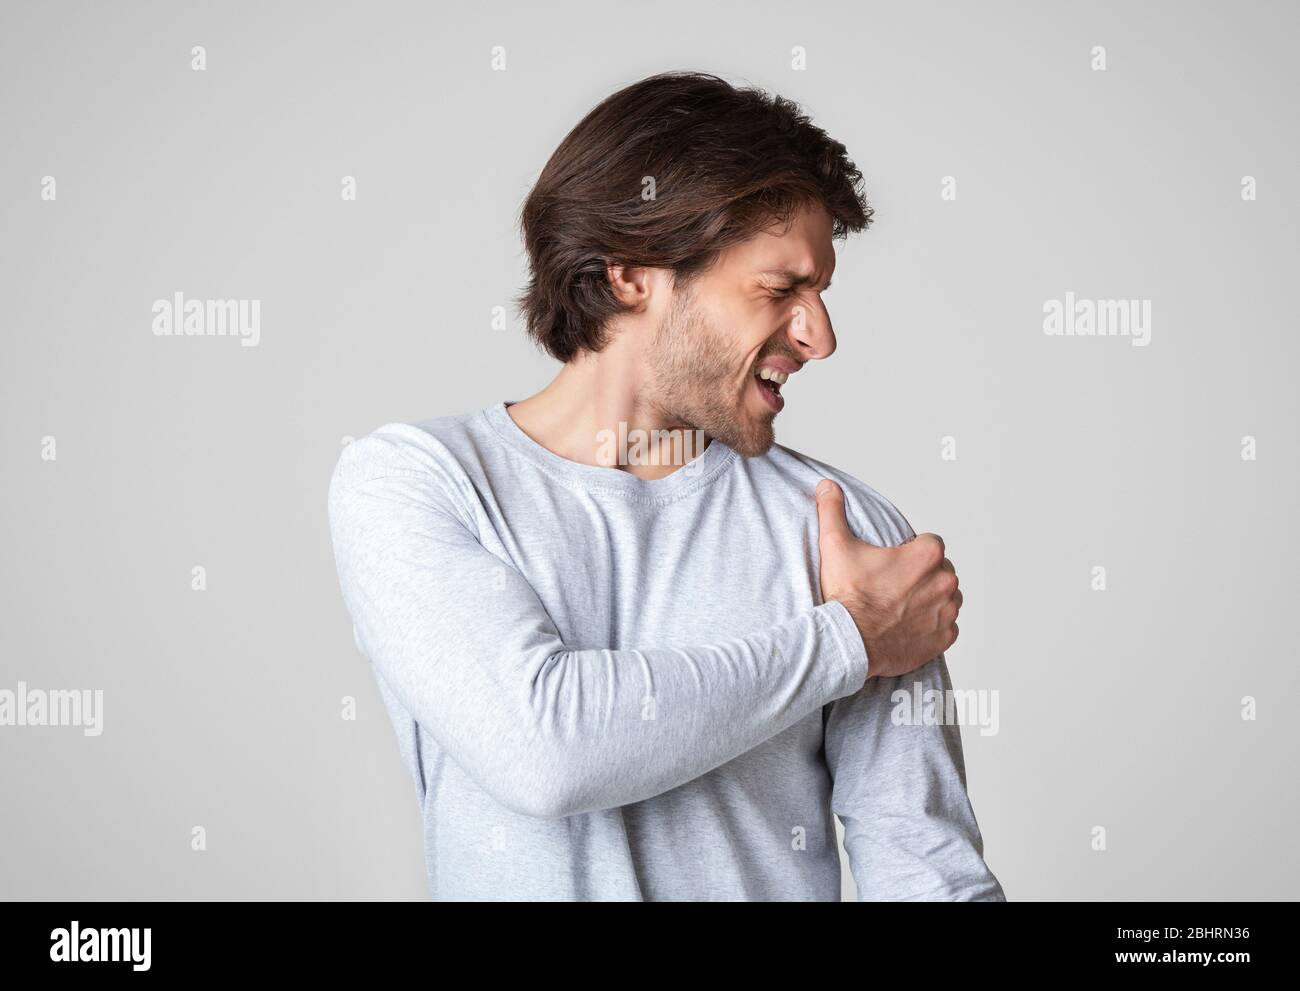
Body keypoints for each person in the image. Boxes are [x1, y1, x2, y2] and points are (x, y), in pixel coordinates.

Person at [328, 71, 1004, 901]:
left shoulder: (844, 529)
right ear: (632, 275)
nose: (819, 336)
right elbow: (544, 748)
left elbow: (924, 870)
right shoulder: (417, 482)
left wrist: (859, 628)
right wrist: (848, 640)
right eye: (781, 288)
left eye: (822, 291)